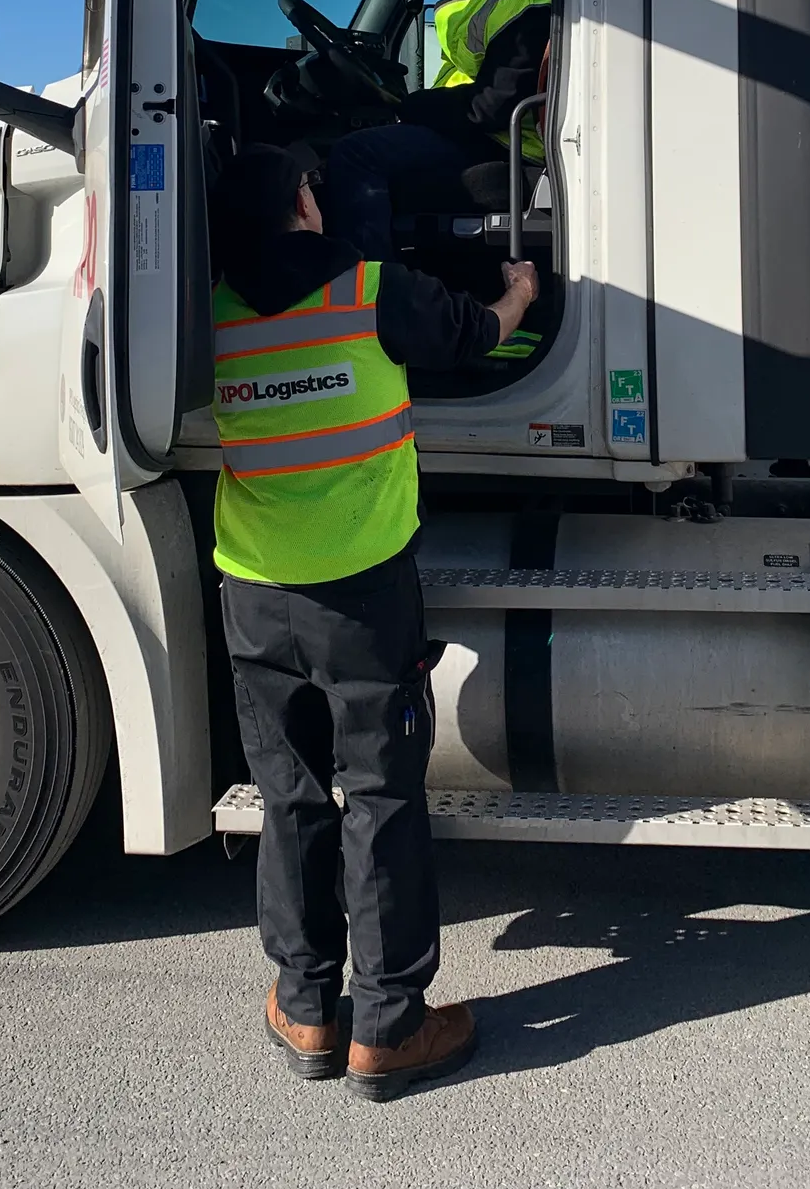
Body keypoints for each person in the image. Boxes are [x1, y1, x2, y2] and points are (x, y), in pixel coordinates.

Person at [211, 141, 539, 1101]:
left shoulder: (212, 313)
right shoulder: (368, 290)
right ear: (306, 205)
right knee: (382, 795)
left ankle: (306, 1005)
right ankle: (389, 1027)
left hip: (253, 592)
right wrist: (518, 290)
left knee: (293, 797)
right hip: (360, 591)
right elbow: (474, 335)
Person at [325, 0, 555, 259]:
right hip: (486, 134)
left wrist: (415, 106)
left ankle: (372, 304)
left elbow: (493, 105)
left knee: (355, 154)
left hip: (506, 147)